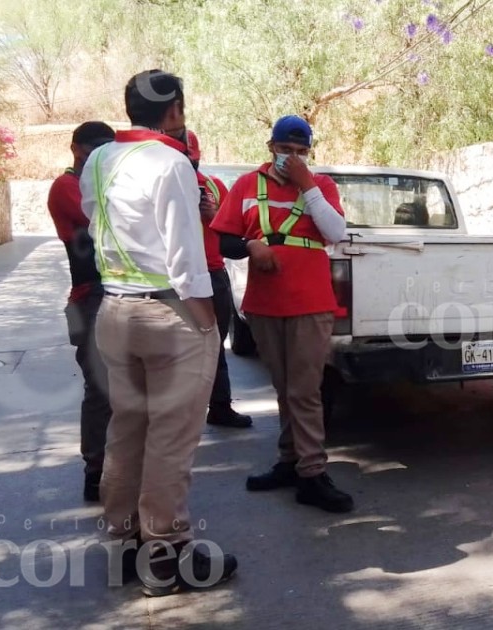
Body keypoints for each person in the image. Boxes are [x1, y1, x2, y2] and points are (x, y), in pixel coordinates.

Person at [81, 69, 237, 595]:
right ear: (175, 110)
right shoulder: (172, 163)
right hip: (170, 313)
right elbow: (186, 257)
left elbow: (91, 221)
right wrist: (206, 320)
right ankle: (166, 555)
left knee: (126, 432)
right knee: (171, 440)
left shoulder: (98, 160)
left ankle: (123, 545)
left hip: (114, 311)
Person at [211, 115, 353, 513]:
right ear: (270, 146)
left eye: (300, 151)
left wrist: (306, 182)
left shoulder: (320, 186)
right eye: (285, 149)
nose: (291, 157)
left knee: (305, 391)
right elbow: (223, 238)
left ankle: (311, 472)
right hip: (265, 304)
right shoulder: (246, 185)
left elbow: (336, 232)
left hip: (310, 303)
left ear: (308, 153)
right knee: (284, 388)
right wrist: (250, 247)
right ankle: (291, 460)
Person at [47, 121, 116, 503]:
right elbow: (105, 221)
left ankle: (115, 469)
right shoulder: (67, 186)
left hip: (108, 295)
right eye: (93, 153)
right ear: (76, 150)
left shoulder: (98, 183)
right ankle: (96, 472)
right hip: (86, 299)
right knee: (100, 391)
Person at [185, 130, 252, 428]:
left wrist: (212, 216)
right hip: (174, 279)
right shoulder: (158, 186)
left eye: (191, 157)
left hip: (213, 275)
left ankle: (220, 407)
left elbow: (236, 237)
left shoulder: (215, 187)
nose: (188, 163)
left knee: (214, 343)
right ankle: (177, 415)